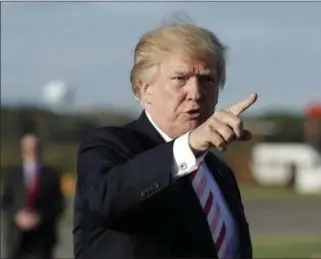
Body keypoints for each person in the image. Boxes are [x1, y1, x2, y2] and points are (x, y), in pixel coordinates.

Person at [73, 22, 257, 259]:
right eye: (180, 79)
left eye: (207, 80)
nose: (196, 93)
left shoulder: (218, 170)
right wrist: (188, 146)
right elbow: (104, 200)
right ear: (145, 89)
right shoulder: (109, 146)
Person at [1, 133, 65, 259]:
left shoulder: (52, 176)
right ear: (22, 150)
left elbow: (58, 205)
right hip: (16, 237)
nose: (32, 152)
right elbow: (5, 202)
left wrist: (39, 217)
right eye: (27, 148)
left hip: (42, 237)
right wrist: (17, 215)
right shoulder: (12, 175)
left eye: (35, 148)